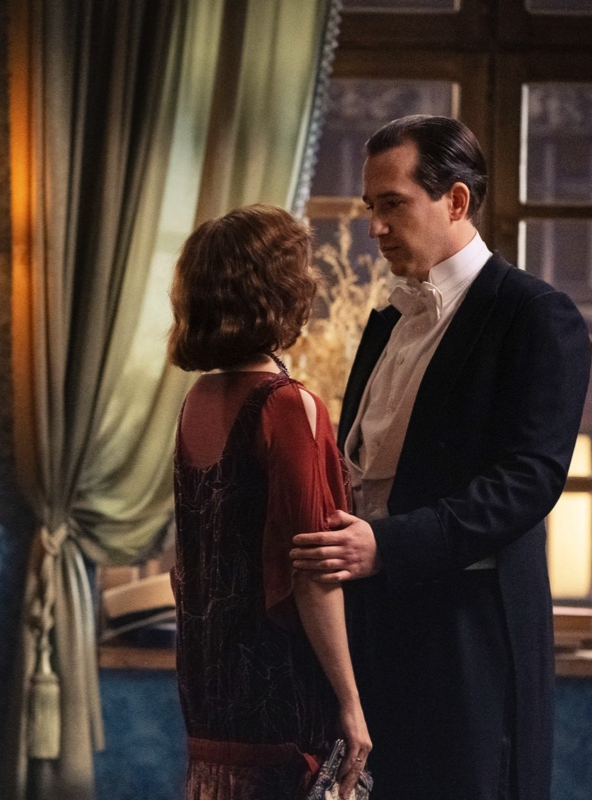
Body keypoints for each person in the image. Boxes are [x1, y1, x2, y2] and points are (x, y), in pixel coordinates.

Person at [290, 115, 592, 800]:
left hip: (469, 637)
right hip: (373, 626)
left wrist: (385, 546)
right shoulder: (389, 319)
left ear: (456, 200)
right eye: (370, 206)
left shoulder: (535, 314)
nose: (374, 227)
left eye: (393, 204)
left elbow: (529, 482)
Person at [169, 204, 371, 800]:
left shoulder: (197, 401)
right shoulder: (287, 405)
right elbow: (312, 571)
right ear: (282, 293)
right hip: (281, 688)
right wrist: (350, 701)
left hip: (209, 690)